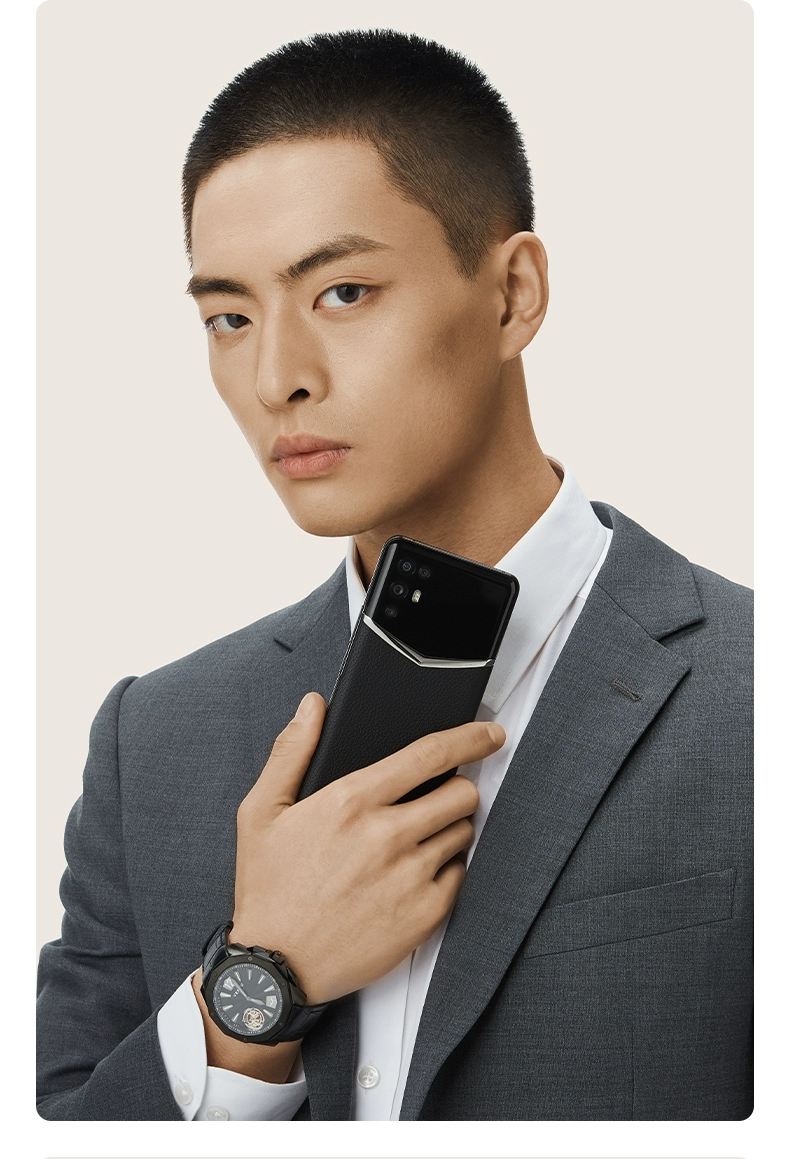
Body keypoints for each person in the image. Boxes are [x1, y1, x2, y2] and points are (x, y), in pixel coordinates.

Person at [36, 29, 752, 1121]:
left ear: (512, 294)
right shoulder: (155, 741)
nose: (276, 378)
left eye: (342, 293)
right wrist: (257, 987)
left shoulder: (754, 699)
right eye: (229, 317)